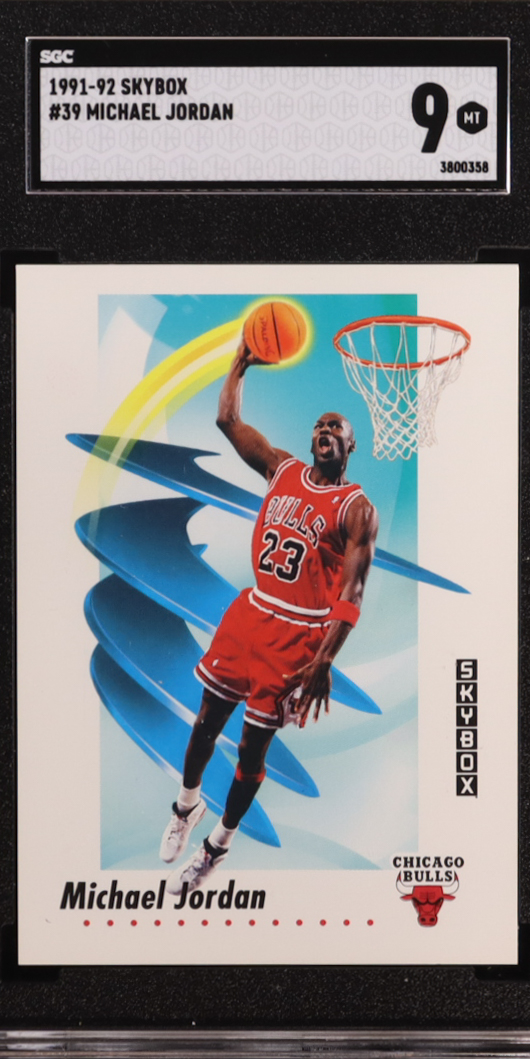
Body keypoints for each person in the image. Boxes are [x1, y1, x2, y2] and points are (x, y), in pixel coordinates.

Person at [161, 338, 378, 893]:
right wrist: (240, 364)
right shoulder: (281, 468)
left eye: (335, 427)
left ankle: (217, 846)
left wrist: (324, 661)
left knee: (250, 749)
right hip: (251, 613)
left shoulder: (356, 508)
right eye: (319, 426)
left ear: (350, 444)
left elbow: (352, 594)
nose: (324, 430)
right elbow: (227, 420)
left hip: (298, 637)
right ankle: (186, 807)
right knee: (205, 722)